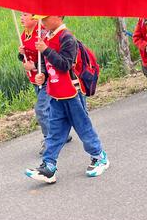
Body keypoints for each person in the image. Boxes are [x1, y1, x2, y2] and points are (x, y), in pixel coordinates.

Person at [25, 15, 108, 184]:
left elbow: (64, 64)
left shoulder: (67, 38)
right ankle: (48, 166)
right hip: (55, 93)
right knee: (55, 131)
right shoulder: (47, 37)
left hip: (71, 93)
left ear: (58, 16)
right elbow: (48, 65)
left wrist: (46, 50)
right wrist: (42, 75)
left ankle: (99, 157)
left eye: (46, 18)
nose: (42, 22)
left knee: (82, 126)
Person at [18, 12, 51, 155]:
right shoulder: (24, 34)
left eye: (25, 15)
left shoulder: (42, 33)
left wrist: (35, 68)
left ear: (35, 17)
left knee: (41, 109)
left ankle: (50, 140)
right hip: (34, 79)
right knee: (50, 110)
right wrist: (21, 55)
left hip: (45, 78)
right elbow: (25, 57)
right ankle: (62, 134)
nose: (21, 18)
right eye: (20, 15)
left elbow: (49, 57)